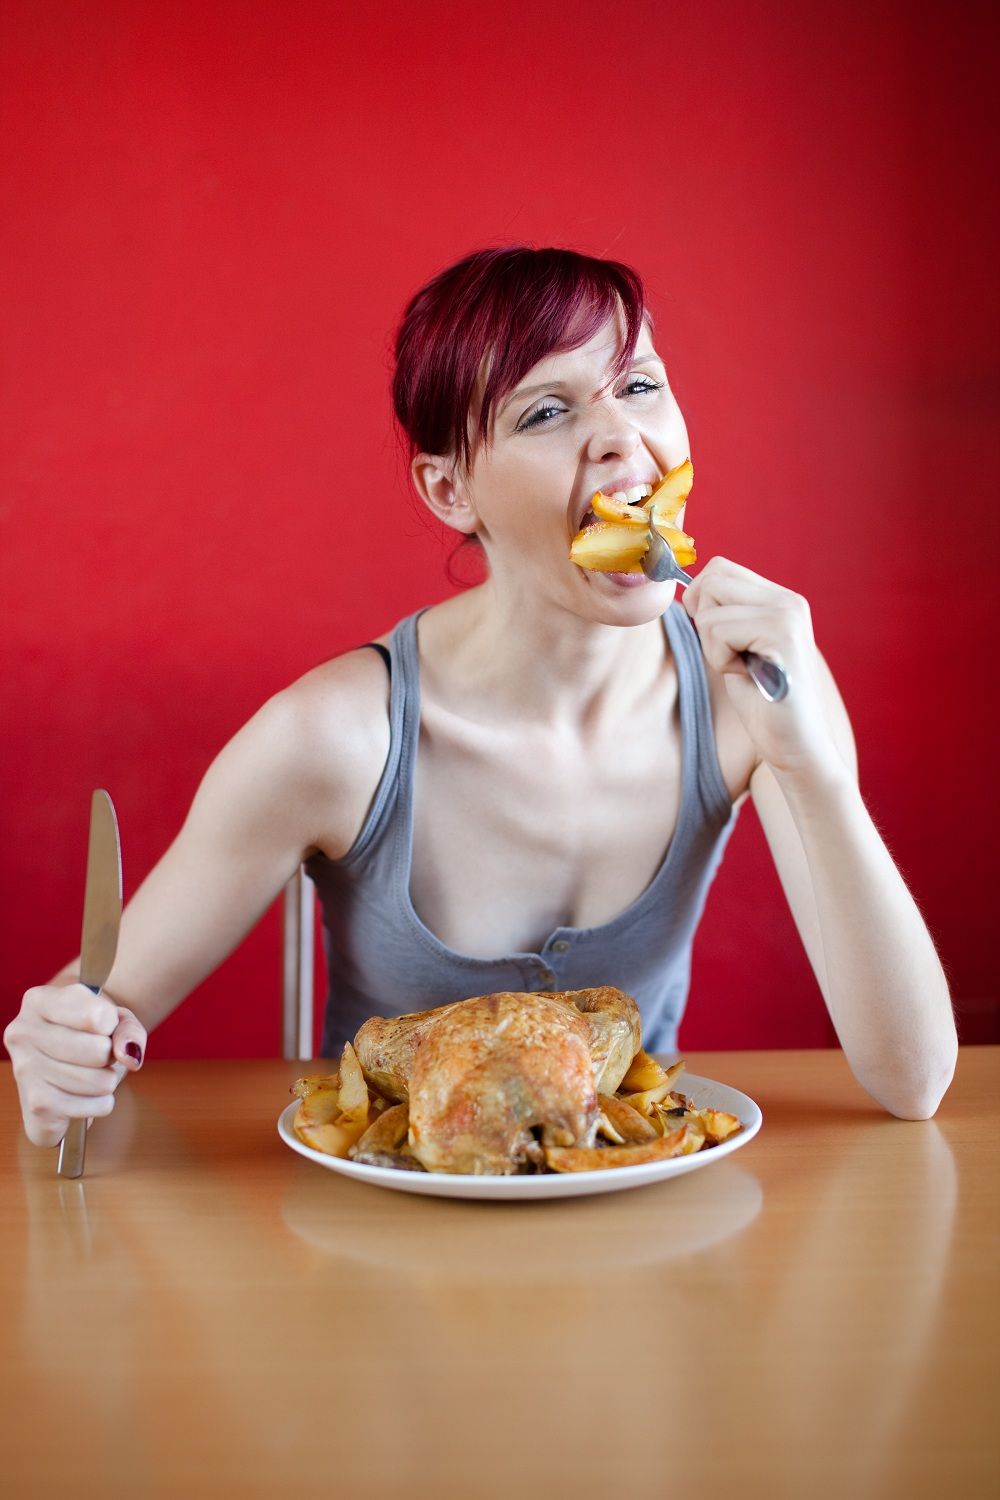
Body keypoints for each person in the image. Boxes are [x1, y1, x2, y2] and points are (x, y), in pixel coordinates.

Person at [5, 245, 957, 1146]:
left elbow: (912, 1082)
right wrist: (59, 1051)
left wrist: (814, 770)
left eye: (639, 386)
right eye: (547, 414)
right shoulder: (332, 738)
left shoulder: (756, 684)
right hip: (382, 1240)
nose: (622, 439)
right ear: (449, 490)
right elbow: (95, 1011)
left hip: (636, 1215)